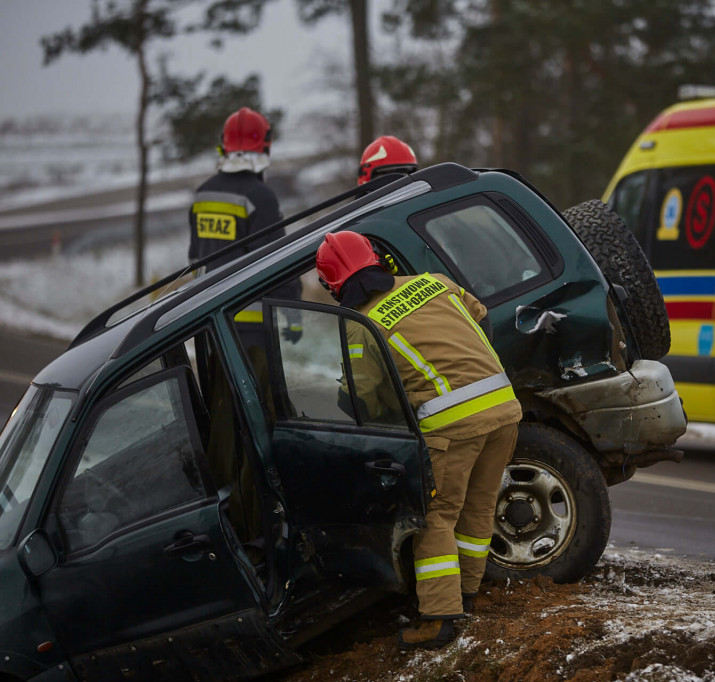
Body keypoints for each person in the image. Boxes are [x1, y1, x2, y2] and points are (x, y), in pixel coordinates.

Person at [315, 231, 521, 650]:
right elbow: (479, 316)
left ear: (333, 285)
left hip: (452, 425)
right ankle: (464, 595)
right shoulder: (436, 282)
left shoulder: (362, 327)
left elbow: (360, 397)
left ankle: (439, 619)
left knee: (436, 517)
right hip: (504, 407)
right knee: (477, 509)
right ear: (379, 262)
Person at [187, 106, 302, 348]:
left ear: (224, 145)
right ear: (265, 146)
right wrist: (294, 317)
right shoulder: (261, 197)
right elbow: (278, 262)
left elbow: (195, 259)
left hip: (208, 325)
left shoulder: (202, 195)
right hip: (251, 332)